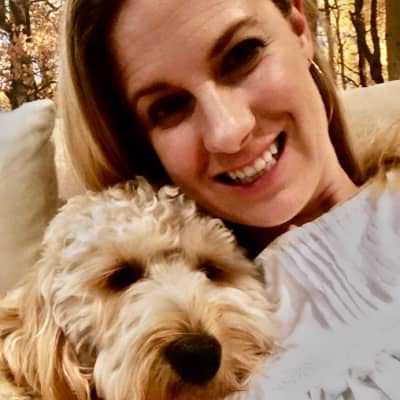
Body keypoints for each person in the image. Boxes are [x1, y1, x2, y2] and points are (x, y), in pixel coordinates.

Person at [59, 0, 400, 398]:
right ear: (141, 144)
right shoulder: (164, 360)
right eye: (169, 107)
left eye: (242, 54)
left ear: (299, 29)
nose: (229, 130)